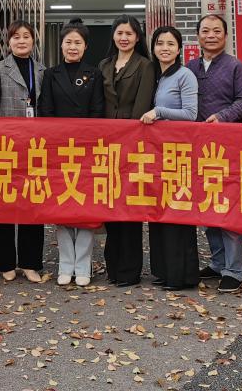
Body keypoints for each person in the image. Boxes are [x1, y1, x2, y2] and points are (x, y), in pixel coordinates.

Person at [185, 15, 242, 293]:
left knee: (228, 207)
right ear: (198, 36)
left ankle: (234, 270)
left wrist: (222, 117)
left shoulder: (236, 67)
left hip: (227, 147)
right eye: (205, 31)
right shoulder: (190, 67)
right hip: (197, 148)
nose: (210, 35)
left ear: (225, 36)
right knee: (206, 206)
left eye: (216, 31)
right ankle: (218, 262)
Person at [38, 20, 104, 287]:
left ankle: (83, 265)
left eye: (78, 42)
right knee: (63, 207)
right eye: (68, 42)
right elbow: (45, 110)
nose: (73, 47)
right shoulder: (51, 74)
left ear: (85, 46)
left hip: (87, 148)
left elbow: (98, 110)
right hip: (59, 149)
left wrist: (87, 139)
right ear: (61, 45)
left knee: (85, 208)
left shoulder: (94, 73)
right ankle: (66, 264)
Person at [0, 20, 46, 283]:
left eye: (26, 36)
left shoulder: (42, 70)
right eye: (16, 37)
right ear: (8, 42)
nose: (21, 41)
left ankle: (31, 263)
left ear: (33, 41)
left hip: (35, 148)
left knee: (33, 205)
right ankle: (6, 262)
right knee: (6, 205)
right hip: (6, 148)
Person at [140, 25, 200, 290]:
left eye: (170, 44)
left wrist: (159, 111)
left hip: (178, 153)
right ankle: (163, 271)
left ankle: (181, 275)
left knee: (177, 213)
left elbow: (191, 114)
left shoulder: (185, 75)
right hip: (157, 153)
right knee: (158, 211)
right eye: (160, 43)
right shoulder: (156, 75)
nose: (164, 48)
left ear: (179, 49)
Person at [99, 15, 156, 287]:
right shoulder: (104, 65)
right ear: (113, 35)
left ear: (137, 37)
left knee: (130, 205)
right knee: (110, 205)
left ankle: (129, 270)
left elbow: (142, 105)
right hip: (106, 145)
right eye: (120, 33)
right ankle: (113, 267)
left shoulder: (145, 65)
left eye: (129, 33)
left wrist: (129, 140)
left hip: (132, 144)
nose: (124, 38)